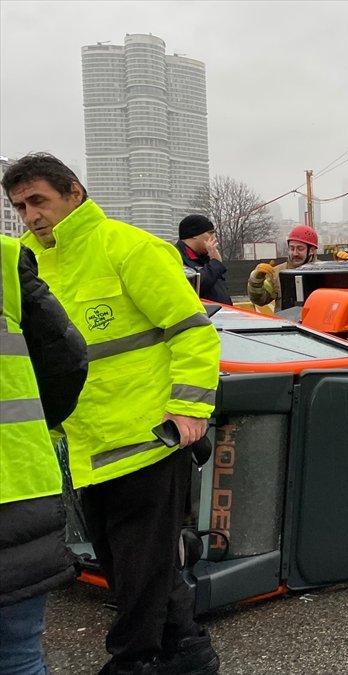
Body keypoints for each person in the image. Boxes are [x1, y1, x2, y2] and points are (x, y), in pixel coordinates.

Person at [3, 153, 222, 674]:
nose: (31, 216)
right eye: (19, 207)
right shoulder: (25, 262)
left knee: (139, 567)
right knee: (134, 565)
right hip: (85, 444)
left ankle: (134, 660)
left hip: (147, 435)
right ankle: (185, 653)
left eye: (39, 201)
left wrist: (189, 410)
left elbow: (191, 331)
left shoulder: (129, 247)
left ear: (74, 192)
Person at [0, 234, 88, 675]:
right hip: (15, 485)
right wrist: (36, 422)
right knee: (17, 654)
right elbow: (67, 358)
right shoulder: (6, 259)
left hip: (17, 493)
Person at [248, 224, 319, 309]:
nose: (295, 253)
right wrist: (256, 280)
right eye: (292, 248)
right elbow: (260, 300)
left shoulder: (326, 273)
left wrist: (339, 268)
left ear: (312, 250)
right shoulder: (277, 273)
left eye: (300, 249)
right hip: (286, 321)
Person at [175, 215, 232, 305]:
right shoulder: (176, 257)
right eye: (210, 233)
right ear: (194, 235)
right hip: (201, 317)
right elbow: (192, 287)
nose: (214, 238)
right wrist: (215, 263)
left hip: (222, 316)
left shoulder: (206, 258)